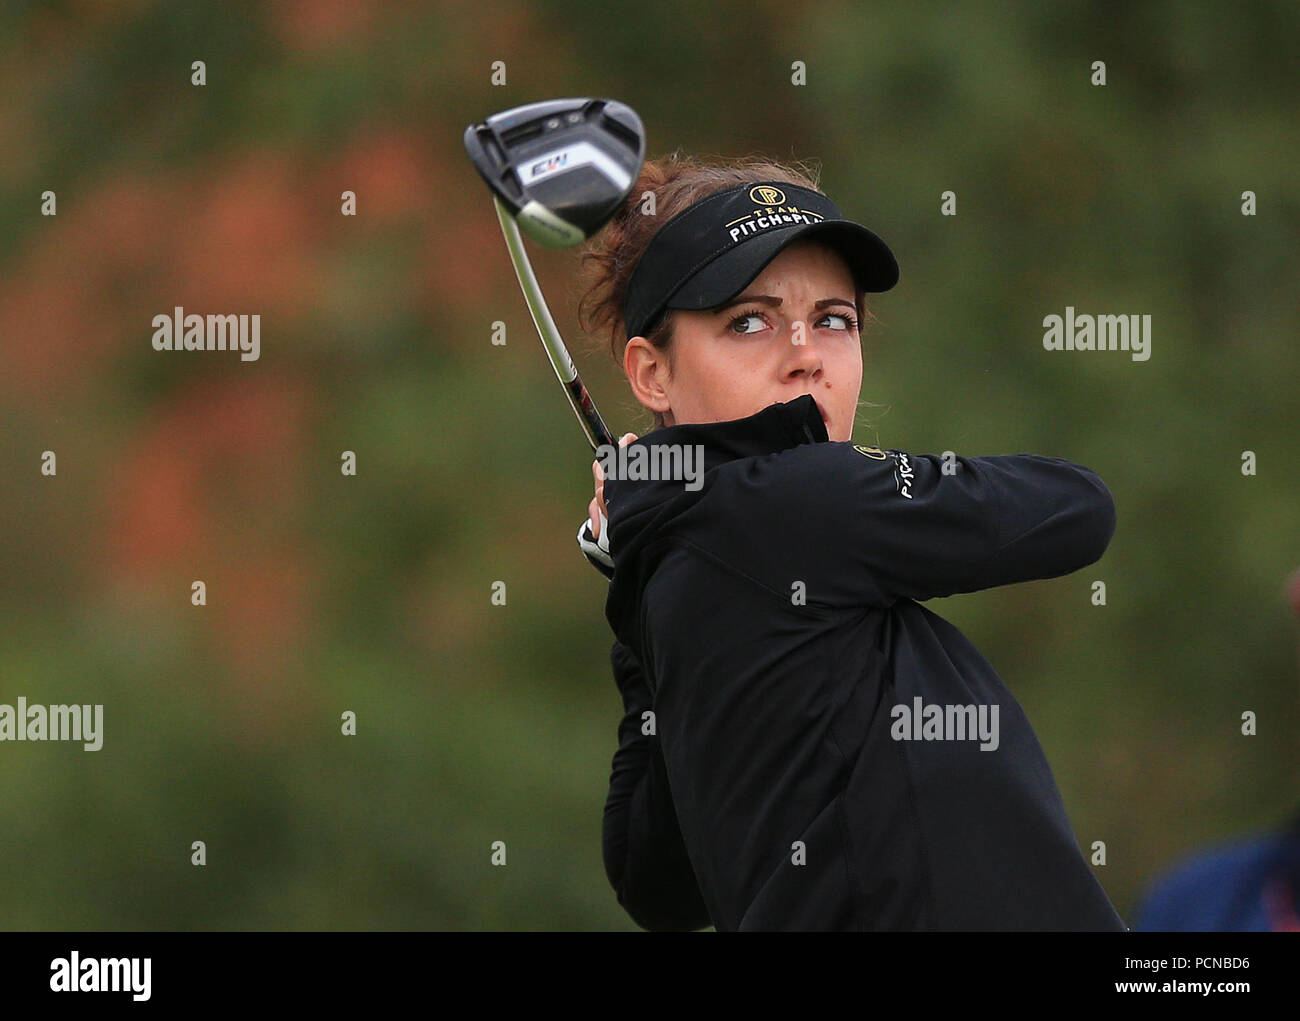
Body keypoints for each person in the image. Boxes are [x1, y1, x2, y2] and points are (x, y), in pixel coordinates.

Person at [572, 154, 1126, 931]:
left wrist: (631, 591)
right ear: (652, 373)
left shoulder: (683, 561)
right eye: (749, 321)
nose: (807, 352)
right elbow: (1079, 508)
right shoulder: (795, 502)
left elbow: (653, 879)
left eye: (834, 319)